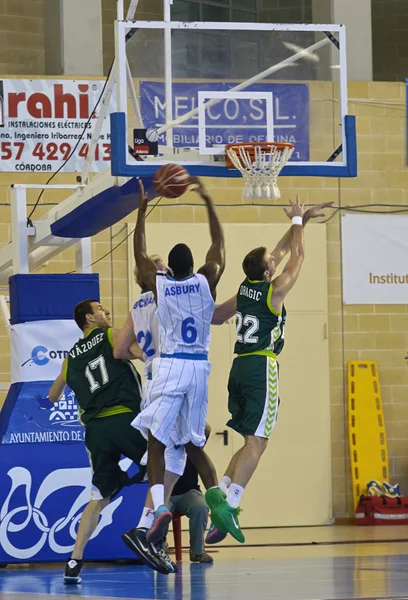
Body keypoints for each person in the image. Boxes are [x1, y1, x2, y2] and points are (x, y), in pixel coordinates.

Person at [207, 197, 333, 544]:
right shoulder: (274, 292)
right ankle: (231, 505)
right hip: (263, 365)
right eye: (270, 265)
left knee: (249, 441)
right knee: (258, 443)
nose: (274, 263)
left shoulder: (245, 290)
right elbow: (297, 257)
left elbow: (217, 316)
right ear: (267, 273)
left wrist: (299, 222)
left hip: (238, 367)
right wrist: (297, 224)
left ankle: (221, 492)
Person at [131, 176, 225, 547]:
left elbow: (138, 256)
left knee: (157, 440)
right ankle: (222, 506)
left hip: (170, 366)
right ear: (195, 266)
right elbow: (219, 245)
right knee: (192, 443)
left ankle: (158, 509)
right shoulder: (208, 280)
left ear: (168, 267)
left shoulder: (160, 285)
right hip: (200, 368)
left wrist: (141, 213)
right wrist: (208, 200)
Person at [49, 299, 155, 583]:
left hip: (95, 431)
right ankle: (149, 535)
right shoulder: (110, 335)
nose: (107, 313)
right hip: (124, 420)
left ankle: (74, 560)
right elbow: (139, 353)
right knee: (166, 465)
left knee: (98, 498)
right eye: (101, 310)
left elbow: (53, 394)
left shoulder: (70, 357)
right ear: (89, 319)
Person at [166, 424, 213, 564]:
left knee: (201, 507)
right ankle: (160, 550)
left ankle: (198, 552)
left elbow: (207, 429)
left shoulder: (192, 445)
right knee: (160, 513)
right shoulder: (161, 443)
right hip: (165, 493)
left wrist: (190, 420)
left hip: (188, 492)